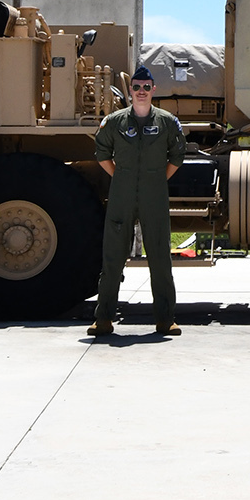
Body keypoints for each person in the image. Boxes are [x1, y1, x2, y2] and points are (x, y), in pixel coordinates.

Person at [90, 64, 186, 338]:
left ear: (153, 90)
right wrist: (121, 176)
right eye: (136, 87)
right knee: (112, 256)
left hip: (154, 194)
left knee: (159, 257)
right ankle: (104, 318)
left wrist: (155, 179)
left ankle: (166, 319)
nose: (141, 92)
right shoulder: (116, 121)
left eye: (146, 87)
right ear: (130, 90)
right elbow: (101, 153)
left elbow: (177, 157)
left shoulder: (167, 122)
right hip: (122, 193)